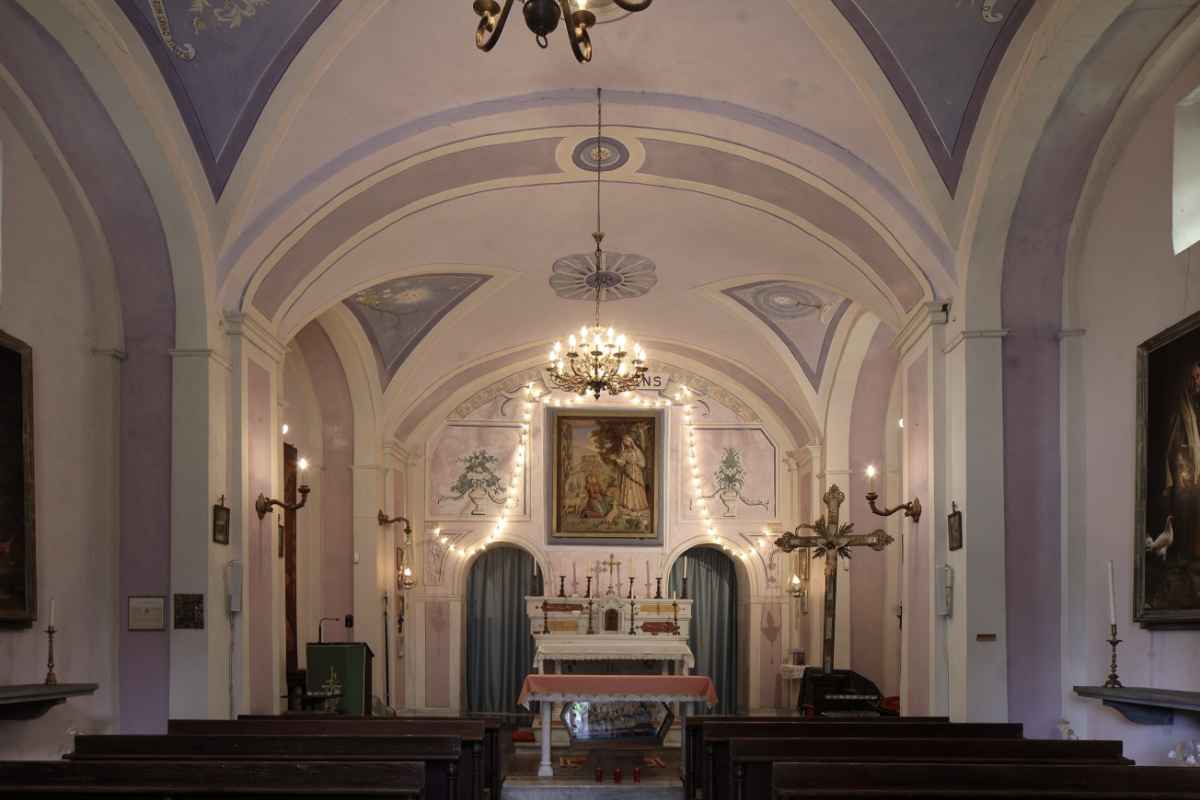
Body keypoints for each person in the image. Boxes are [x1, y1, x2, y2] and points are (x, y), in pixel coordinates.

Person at [615, 433, 650, 514]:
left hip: (636, 472)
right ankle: (628, 506)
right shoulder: (624, 452)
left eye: (627, 441)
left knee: (635, 487)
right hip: (627, 471)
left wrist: (635, 462)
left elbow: (643, 463)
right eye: (624, 441)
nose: (625, 443)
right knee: (628, 487)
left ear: (631, 441)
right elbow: (622, 462)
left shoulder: (637, 451)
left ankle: (637, 506)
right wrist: (618, 460)